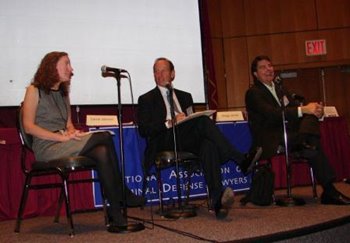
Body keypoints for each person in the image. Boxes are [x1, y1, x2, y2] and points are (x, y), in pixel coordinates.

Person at [22, 51, 145, 231]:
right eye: (67, 64)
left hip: (64, 141)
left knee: (102, 150)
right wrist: (61, 137)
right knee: (103, 137)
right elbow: (28, 127)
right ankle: (122, 195)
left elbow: (68, 124)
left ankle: (116, 213)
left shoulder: (64, 93)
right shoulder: (34, 90)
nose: (71, 69)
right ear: (52, 66)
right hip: (46, 146)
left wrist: (73, 133)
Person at [137, 57, 262, 219]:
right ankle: (239, 159)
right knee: (202, 122)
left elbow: (191, 125)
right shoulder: (146, 99)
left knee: (207, 145)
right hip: (163, 140)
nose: (159, 74)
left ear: (173, 74)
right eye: (156, 71)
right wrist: (170, 123)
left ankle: (218, 203)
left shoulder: (185, 97)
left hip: (185, 139)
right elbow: (144, 130)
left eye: (163, 70)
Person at [245, 55, 350, 205]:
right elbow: (273, 115)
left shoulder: (280, 88)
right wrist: (305, 109)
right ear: (255, 74)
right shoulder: (254, 93)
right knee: (312, 142)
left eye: (270, 65)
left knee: (311, 120)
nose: (268, 69)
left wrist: (316, 111)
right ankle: (329, 190)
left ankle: (305, 144)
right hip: (271, 137)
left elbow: (295, 109)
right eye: (263, 67)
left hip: (290, 134)